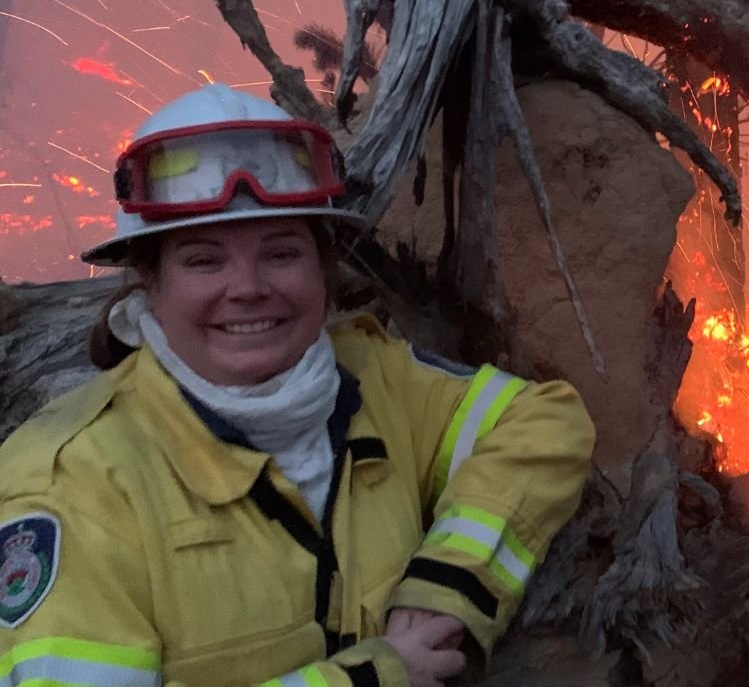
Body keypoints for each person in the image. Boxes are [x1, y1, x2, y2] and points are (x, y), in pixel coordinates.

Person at [0, 84, 595, 687]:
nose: (249, 287)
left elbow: (546, 422)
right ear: (148, 282)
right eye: (204, 260)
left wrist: (453, 581)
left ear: (325, 268)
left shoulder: (376, 380)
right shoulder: (71, 483)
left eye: (281, 253)